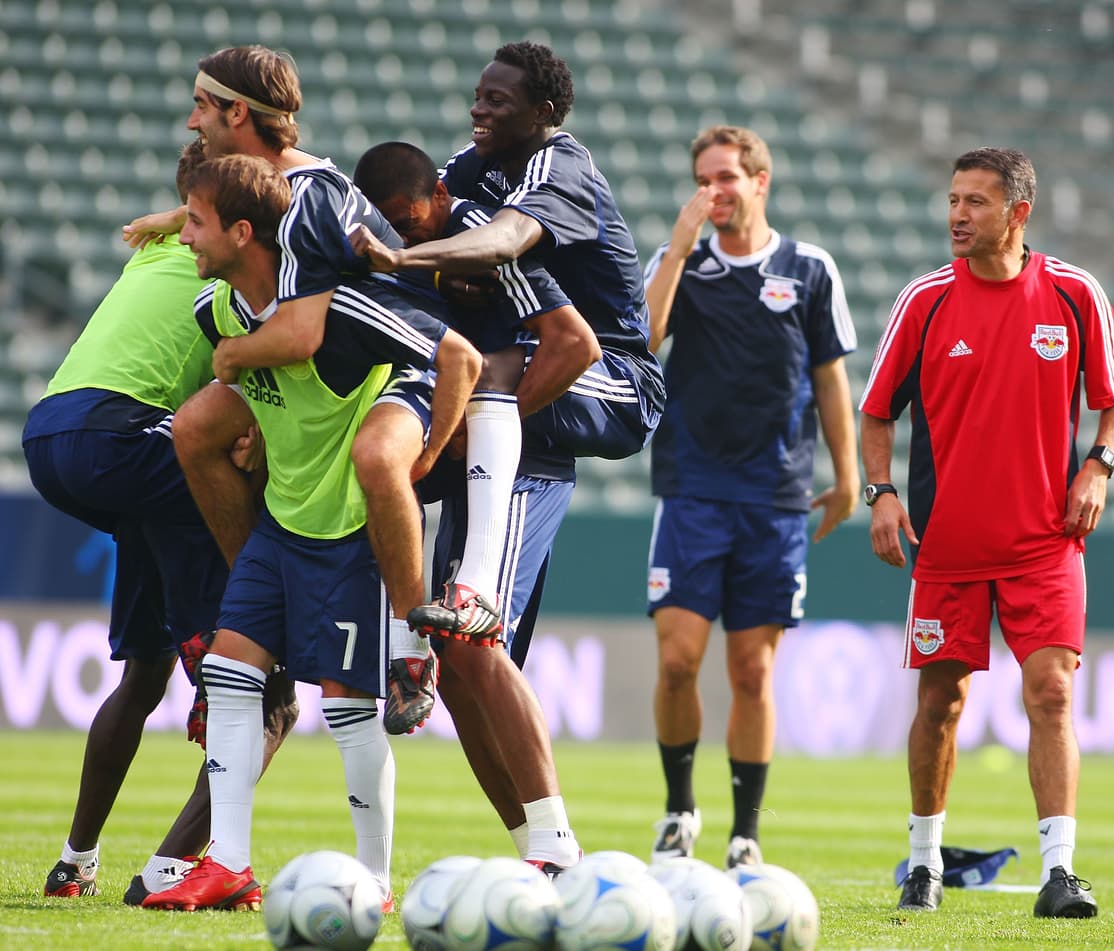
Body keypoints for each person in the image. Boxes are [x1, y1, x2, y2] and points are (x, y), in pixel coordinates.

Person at [348, 41, 665, 870]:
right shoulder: (466, 174)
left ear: (543, 113)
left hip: (610, 377)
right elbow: (436, 213)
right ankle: (539, 853)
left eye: (497, 100)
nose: (478, 109)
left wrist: (410, 260)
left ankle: (558, 850)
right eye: (477, 95)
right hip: (522, 394)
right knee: (463, 667)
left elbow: (516, 255)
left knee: (473, 632)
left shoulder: (559, 169)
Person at [141, 154, 481, 911]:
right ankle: (228, 864)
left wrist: (424, 457)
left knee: (348, 710)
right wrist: (253, 436)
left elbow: (459, 357)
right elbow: (257, 400)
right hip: (280, 525)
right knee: (231, 673)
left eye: (194, 222)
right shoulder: (216, 312)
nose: (184, 236)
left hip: (348, 532)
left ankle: (377, 882)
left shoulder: (347, 315)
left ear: (241, 233)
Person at [858, 147, 1114, 918]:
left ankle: (1060, 872)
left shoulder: (1074, 293)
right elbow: (876, 410)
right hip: (947, 544)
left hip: (1045, 541)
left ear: (1018, 213)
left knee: (1051, 691)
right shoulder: (924, 300)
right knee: (940, 702)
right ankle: (924, 863)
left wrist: (1099, 466)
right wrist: (881, 493)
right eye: (953, 199)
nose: (957, 214)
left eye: (975, 202)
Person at [21, 140, 298, 904]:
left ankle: (74, 862)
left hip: (54, 431)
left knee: (142, 672)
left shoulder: (162, 247)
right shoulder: (239, 266)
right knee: (268, 695)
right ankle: (172, 864)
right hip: (119, 434)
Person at [641, 125, 858, 869]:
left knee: (753, 673)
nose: (714, 191)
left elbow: (830, 377)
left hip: (775, 496)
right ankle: (679, 810)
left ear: (760, 181)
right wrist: (678, 250)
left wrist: (849, 476)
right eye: (703, 179)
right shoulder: (682, 260)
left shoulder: (809, 268)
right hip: (692, 489)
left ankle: (746, 834)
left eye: (726, 177)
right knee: (677, 660)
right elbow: (645, 338)